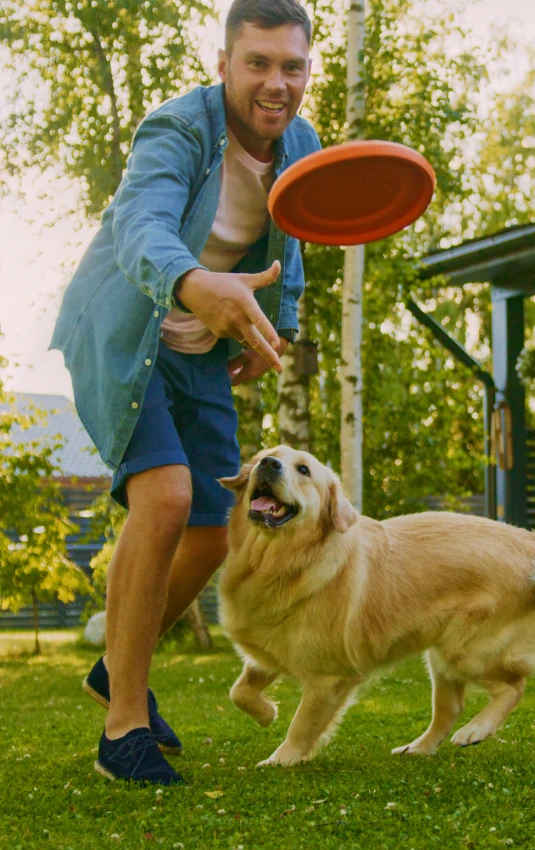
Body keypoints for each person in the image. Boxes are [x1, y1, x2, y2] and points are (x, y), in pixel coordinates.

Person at [50, 0, 320, 786]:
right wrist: (197, 284)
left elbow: (290, 244)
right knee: (165, 499)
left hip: (202, 349)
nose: (277, 83)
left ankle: (115, 665)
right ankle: (123, 724)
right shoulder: (179, 130)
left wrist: (277, 329)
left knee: (217, 524)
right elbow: (141, 225)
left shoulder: (300, 144)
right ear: (225, 64)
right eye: (259, 63)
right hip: (127, 332)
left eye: (292, 66)